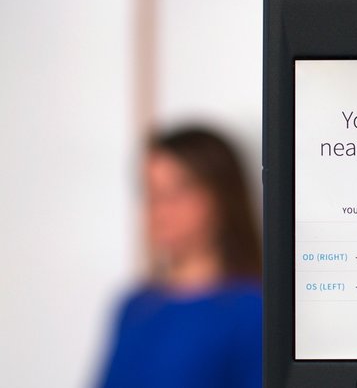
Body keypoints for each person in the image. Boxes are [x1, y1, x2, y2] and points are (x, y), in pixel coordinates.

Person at [99, 127, 262, 388]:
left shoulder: (253, 311)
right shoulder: (135, 306)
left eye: (177, 192)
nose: (160, 211)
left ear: (221, 196)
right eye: (152, 194)